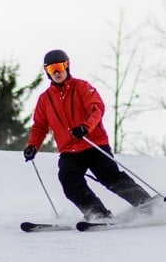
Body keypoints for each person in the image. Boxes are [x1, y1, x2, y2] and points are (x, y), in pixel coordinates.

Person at [23, 49, 151, 220]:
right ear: (46, 72)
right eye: (51, 69)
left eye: (59, 67)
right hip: (69, 150)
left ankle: (147, 204)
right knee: (68, 180)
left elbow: (96, 108)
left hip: (93, 143)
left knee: (109, 177)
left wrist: (85, 127)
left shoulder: (82, 87)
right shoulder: (45, 99)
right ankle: (98, 213)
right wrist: (33, 146)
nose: (57, 72)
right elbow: (40, 126)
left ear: (67, 66)